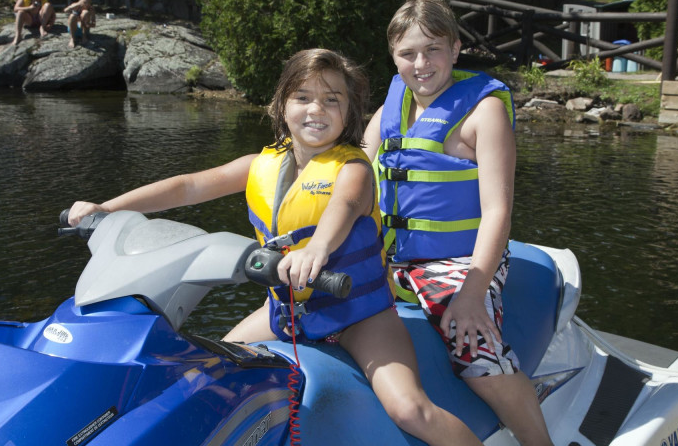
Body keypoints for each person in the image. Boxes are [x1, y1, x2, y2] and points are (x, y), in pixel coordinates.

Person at [69, 48, 483, 446]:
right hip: (286, 311)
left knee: (409, 409)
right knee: (211, 372)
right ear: (281, 105)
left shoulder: (353, 169)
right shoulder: (258, 165)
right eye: (302, 97)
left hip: (360, 315)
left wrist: (316, 250)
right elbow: (188, 185)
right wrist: (108, 208)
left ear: (350, 113)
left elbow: (344, 206)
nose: (316, 109)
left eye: (331, 100)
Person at [363, 0, 554, 446]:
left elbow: (498, 212)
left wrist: (472, 294)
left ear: (455, 48)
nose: (421, 63)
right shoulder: (390, 110)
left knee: (476, 354)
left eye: (433, 49)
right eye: (408, 53)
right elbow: (354, 184)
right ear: (394, 57)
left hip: (461, 261)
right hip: (389, 257)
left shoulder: (483, 111)